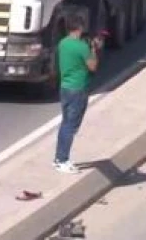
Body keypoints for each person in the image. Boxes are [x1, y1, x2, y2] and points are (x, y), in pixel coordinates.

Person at [54, 18, 102, 174]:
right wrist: (94, 49)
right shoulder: (82, 47)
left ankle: (58, 157)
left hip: (65, 87)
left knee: (65, 122)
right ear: (80, 28)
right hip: (78, 89)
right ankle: (63, 160)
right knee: (71, 126)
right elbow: (92, 66)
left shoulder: (63, 43)